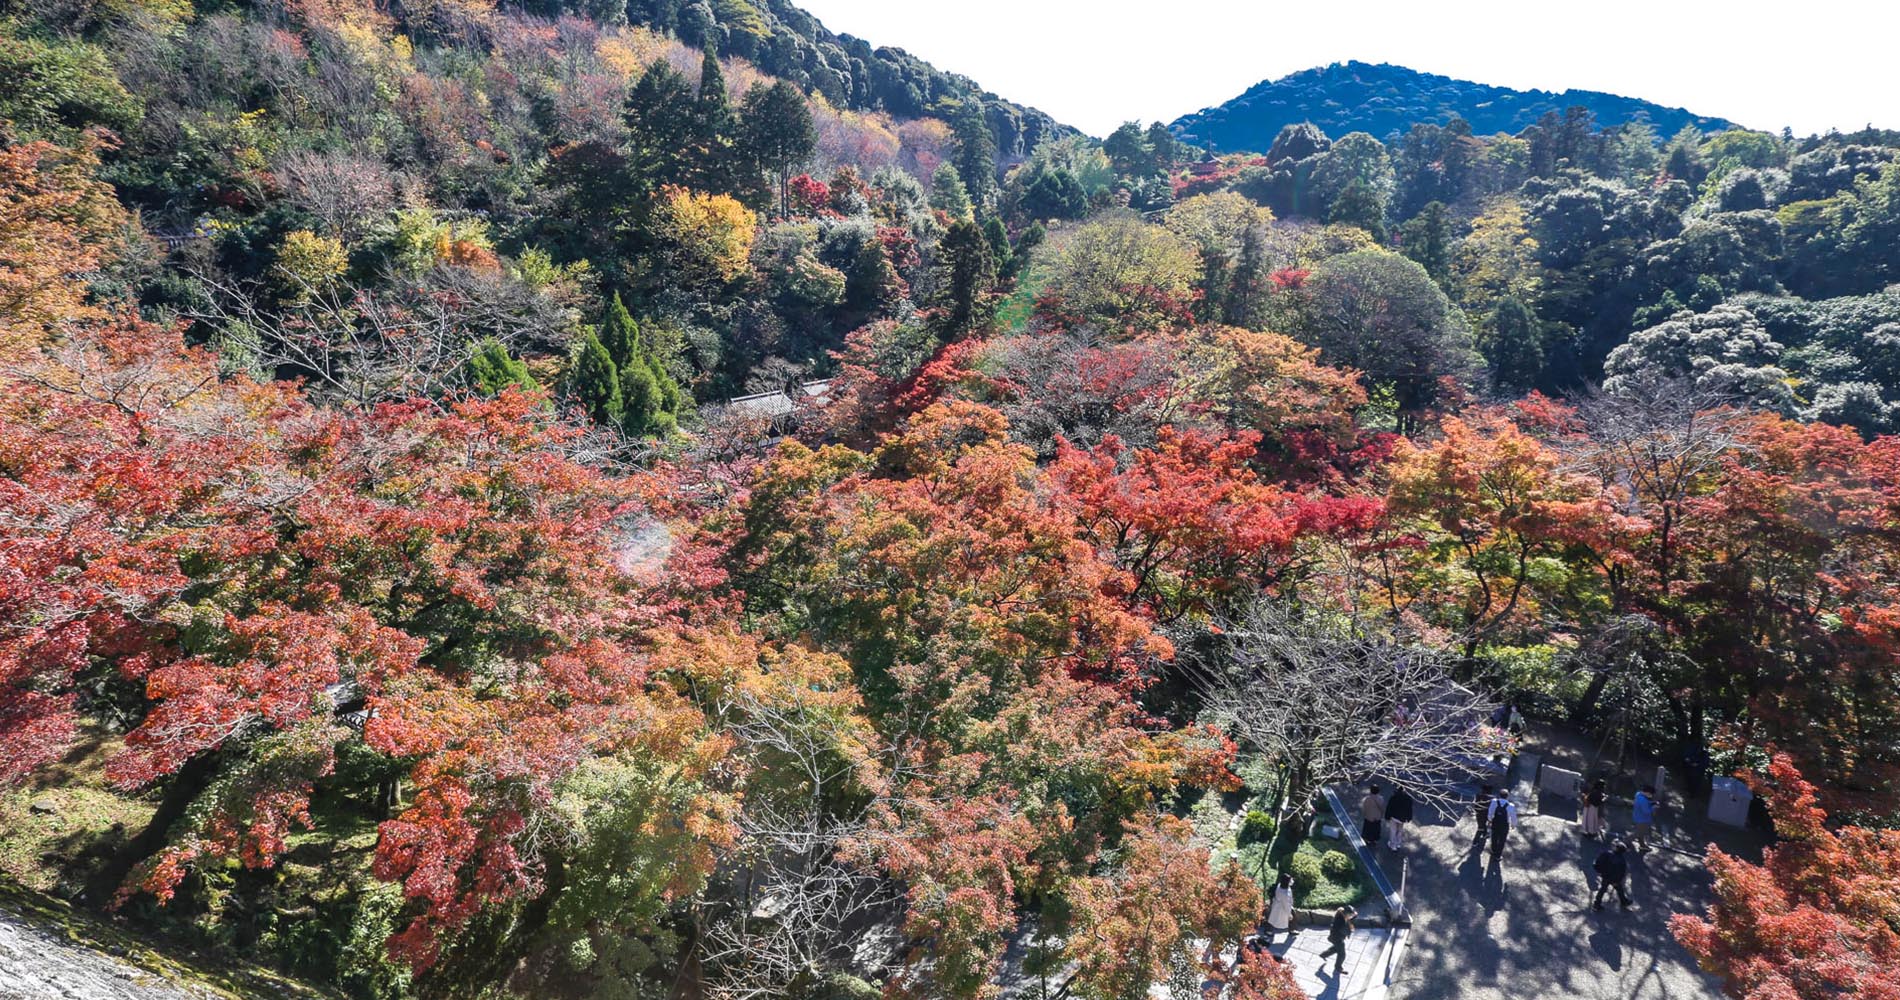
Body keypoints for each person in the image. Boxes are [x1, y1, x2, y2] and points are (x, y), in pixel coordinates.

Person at [1592, 840, 1633, 910]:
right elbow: (1621, 873)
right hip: (1614, 879)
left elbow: (1597, 862)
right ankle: (1624, 901)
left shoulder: (1606, 854)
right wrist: (1616, 881)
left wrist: (1599, 871)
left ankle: (1597, 904)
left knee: (1603, 889)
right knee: (1619, 889)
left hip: (1605, 876)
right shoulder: (1622, 861)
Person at [1316, 906, 1355, 975]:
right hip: (1336, 938)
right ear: (1346, 914)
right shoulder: (1340, 921)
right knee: (1342, 954)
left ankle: (1323, 955)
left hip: (1337, 938)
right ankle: (1338, 967)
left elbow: (1351, 918)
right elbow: (1344, 930)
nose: (1351, 916)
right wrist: (1350, 930)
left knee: (1336, 948)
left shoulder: (1342, 915)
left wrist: (1353, 916)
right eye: (1350, 915)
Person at [1487, 793, 1518, 864]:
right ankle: (1498, 856)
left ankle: (1493, 850)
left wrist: (1489, 820)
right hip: (1504, 826)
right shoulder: (1511, 806)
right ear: (1507, 796)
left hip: (1495, 823)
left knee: (1494, 837)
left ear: (1499, 795)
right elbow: (1513, 817)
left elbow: (1490, 812)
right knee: (1502, 840)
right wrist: (1513, 825)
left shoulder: (1494, 802)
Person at [1265, 872, 1295, 937]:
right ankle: (1291, 930)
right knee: (1291, 917)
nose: (1291, 881)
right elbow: (1286, 905)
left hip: (1276, 905)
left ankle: (1269, 931)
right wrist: (1289, 914)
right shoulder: (1285, 893)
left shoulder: (1279, 885)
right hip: (1282, 908)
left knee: (1272, 919)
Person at [1385, 786, 1414, 850]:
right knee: (1400, 831)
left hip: (1394, 817)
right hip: (1402, 818)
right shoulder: (1408, 799)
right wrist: (1409, 818)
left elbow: (1389, 808)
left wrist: (1387, 816)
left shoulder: (1394, 797)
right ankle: (1398, 843)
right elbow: (1409, 809)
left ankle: (1393, 845)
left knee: (1393, 831)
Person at [1632, 784, 1657, 851]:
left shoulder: (1638, 795)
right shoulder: (1643, 800)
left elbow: (1644, 804)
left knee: (1641, 834)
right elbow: (1646, 811)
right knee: (1637, 833)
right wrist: (1653, 807)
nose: (1651, 796)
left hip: (1637, 817)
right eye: (1651, 794)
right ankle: (1624, 842)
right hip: (1643, 820)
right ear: (1647, 793)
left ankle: (1642, 845)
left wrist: (1650, 803)